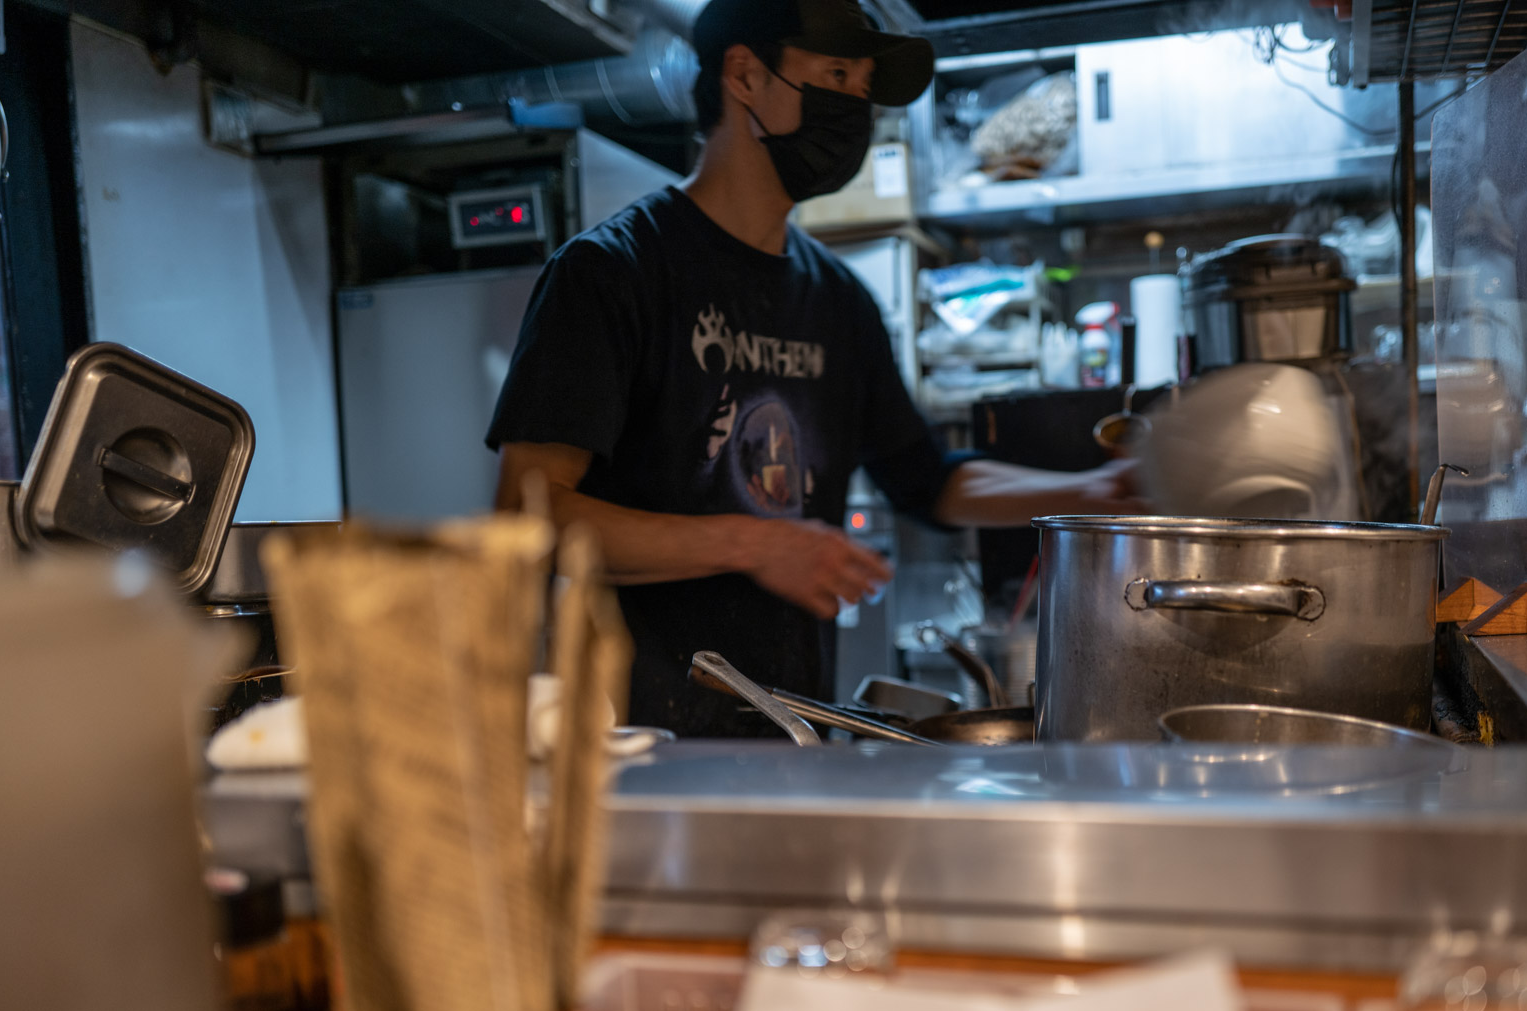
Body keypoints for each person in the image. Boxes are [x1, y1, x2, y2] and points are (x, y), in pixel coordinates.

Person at [486, 0, 1140, 737]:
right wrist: (757, 542)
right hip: (639, 747)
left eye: (863, 88)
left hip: (792, 737)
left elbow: (930, 480)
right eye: (835, 75)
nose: (853, 108)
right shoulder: (613, 272)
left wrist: (1095, 494)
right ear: (744, 75)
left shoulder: (839, 302)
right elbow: (529, 514)